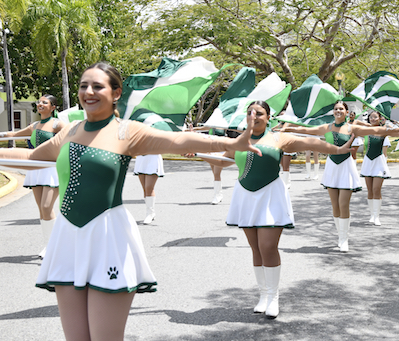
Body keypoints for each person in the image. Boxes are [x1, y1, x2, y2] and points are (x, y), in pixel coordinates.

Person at [0, 62, 262, 341]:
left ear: (116, 93)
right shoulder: (71, 131)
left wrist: (228, 144)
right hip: (68, 240)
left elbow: (177, 141)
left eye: (97, 86)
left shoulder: (127, 131)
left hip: (108, 238)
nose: (88, 91)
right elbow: (32, 158)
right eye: (83, 86)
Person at [206, 101, 354, 319]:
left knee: (268, 247)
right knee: (255, 248)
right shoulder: (240, 140)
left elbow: (311, 143)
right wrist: (195, 153)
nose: (254, 117)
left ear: (268, 117)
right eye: (250, 113)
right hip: (245, 197)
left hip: (270, 196)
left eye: (259, 113)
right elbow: (223, 159)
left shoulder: (278, 138)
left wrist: (338, 149)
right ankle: (263, 295)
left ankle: (274, 297)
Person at [282, 101, 397, 252]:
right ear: (333, 111)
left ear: (346, 111)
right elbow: (307, 129)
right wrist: (287, 127)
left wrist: (395, 128)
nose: (338, 111)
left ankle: (344, 239)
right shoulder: (327, 127)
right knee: (335, 205)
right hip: (332, 167)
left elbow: (376, 130)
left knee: (343, 204)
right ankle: (339, 235)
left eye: (341, 109)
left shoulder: (352, 128)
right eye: (336, 109)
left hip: (346, 167)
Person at [0, 95, 66, 258]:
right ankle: (49, 245)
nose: (40, 104)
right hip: (35, 169)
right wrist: (2, 135)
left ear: (53, 107)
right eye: (39, 102)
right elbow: (13, 135)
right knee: (42, 210)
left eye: (45, 102)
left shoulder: (58, 124)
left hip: (51, 168)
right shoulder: (35, 125)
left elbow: (71, 139)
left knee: (46, 207)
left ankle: (57, 245)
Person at [359, 111, 391, 225]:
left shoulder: (383, 130)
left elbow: (396, 130)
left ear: (379, 118)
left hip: (379, 161)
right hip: (368, 161)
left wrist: (389, 124)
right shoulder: (365, 131)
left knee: (376, 189)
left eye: (375, 117)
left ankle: (377, 216)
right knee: (370, 190)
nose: (372, 119)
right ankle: (372, 214)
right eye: (371, 117)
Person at [133, 154, 164, 224]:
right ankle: (151, 212)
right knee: (145, 189)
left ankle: (149, 214)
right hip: (141, 158)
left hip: (153, 158)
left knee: (149, 187)